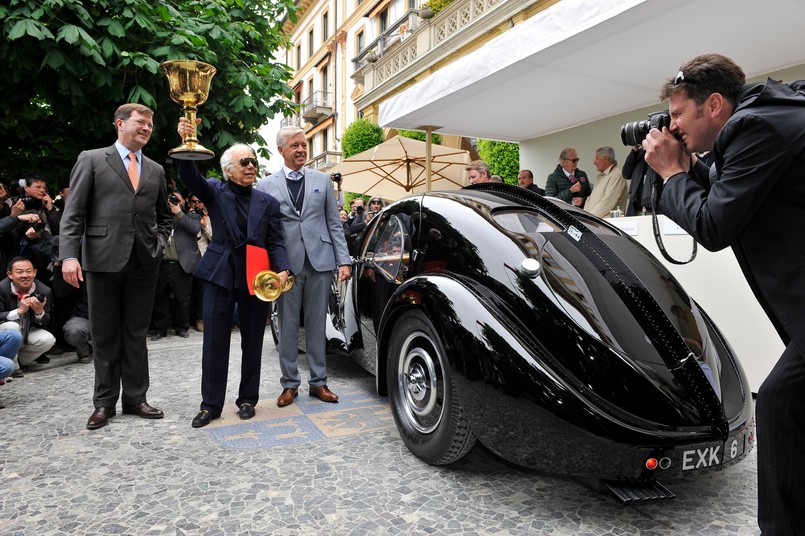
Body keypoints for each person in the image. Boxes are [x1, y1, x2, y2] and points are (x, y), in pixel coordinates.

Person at [641, 53, 805, 536]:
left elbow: (714, 224)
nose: (671, 125)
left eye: (677, 115)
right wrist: (689, 167)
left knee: (779, 401)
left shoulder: (756, 128)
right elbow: (730, 197)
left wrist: (672, 175)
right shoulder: (768, 117)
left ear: (713, 105)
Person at [60, 103, 172, 430]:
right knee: (106, 335)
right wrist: (69, 255)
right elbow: (74, 213)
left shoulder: (155, 170)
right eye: (141, 122)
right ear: (120, 124)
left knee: (136, 333)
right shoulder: (92, 159)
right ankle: (104, 403)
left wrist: (159, 242)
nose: (147, 128)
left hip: (144, 262)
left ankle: (136, 398)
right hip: (102, 259)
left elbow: (163, 217)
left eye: (150, 124)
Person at [177, 117, 291, 428]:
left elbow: (276, 241)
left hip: (256, 277)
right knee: (214, 340)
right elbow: (189, 174)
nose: (251, 166)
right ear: (229, 169)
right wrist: (189, 141)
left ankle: (246, 400)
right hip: (220, 274)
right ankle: (210, 405)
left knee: (253, 339)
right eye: (244, 162)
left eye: (254, 161)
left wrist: (282, 270)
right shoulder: (215, 190)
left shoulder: (267, 202)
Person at [256, 126, 351, 407]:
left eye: (304, 145)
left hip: (320, 261)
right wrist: (271, 267)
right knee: (286, 327)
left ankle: (319, 383)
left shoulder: (322, 180)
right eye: (295, 145)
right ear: (281, 150)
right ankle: (289, 384)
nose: (301, 150)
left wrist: (343, 259)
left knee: (316, 325)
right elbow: (265, 231)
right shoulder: (266, 185)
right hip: (286, 267)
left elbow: (334, 224)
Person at [150, 190, 201, 340]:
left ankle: (182, 327)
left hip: (181, 264)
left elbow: (194, 229)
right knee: (160, 298)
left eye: (177, 200)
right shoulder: (160, 217)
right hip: (162, 263)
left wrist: (178, 212)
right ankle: (160, 329)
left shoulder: (191, 216)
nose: (173, 203)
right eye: (171, 200)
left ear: (183, 202)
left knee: (182, 298)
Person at [0, 257, 56, 371]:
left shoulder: (44, 291)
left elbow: (46, 322)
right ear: (10, 274)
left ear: (34, 273)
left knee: (48, 339)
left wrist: (39, 312)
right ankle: (13, 368)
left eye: (29, 271)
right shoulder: (1, 288)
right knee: (13, 326)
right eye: (19, 272)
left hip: (27, 331)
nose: (25, 275)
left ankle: (20, 361)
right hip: (5, 331)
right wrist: (19, 311)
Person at [584, 147, 628, 218]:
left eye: (597, 158)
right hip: (594, 221)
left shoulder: (617, 175)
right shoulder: (601, 176)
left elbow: (607, 203)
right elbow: (589, 199)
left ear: (606, 159)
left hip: (607, 224)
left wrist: (589, 218)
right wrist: (585, 216)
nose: (594, 162)